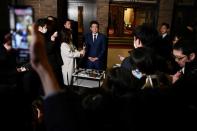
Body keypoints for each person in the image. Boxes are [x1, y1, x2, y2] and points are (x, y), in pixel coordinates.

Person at [30, 24, 87, 131]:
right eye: (69, 34)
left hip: (72, 65)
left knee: (72, 83)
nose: (71, 36)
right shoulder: (63, 45)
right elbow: (71, 54)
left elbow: (74, 51)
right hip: (67, 67)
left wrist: (80, 52)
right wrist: (80, 53)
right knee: (68, 83)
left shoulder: (69, 43)